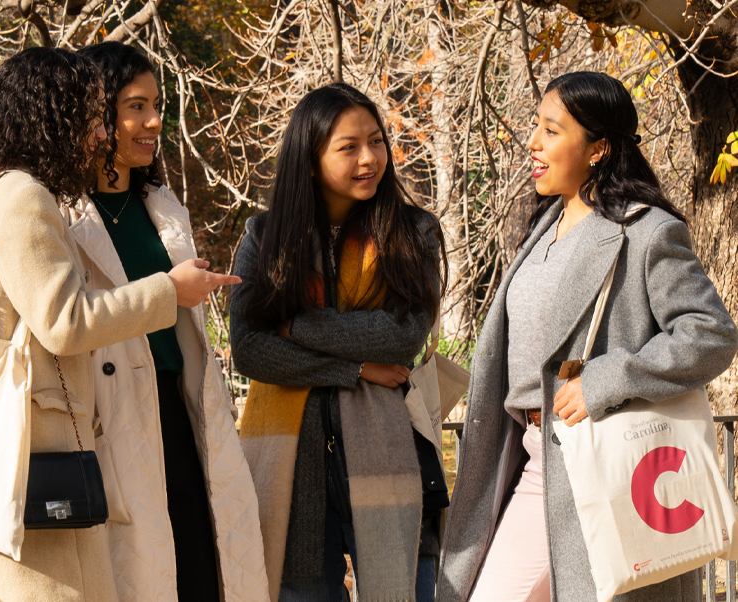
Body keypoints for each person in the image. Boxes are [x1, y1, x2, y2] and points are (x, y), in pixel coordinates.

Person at [0, 47, 236, 602]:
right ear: (53, 116)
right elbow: (64, 320)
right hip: (36, 440)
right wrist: (167, 291)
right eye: (89, 117)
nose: (97, 135)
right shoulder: (22, 195)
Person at [437, 71, 738, 602]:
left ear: (598, 147)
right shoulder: (539, 229)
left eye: (551, 131)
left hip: (604, 462)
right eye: (536, 126)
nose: (532, 142)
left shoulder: (646, 231)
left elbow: (710, 333)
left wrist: (606, 378)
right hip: (535, 459)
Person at [230, 82, 448, 602]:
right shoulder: (265, 238)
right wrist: (353, 370)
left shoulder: (412, 231)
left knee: (403, 588)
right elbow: (248, 349)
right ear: (310, 159)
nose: (369, 158)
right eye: (348, 147)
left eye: (375, 141)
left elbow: (400, 335)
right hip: (293, 464)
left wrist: (293, 324)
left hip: (388, 446)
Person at [72, 41, 269, 602]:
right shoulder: (61, 210)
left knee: (200, 569)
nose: (154, 120)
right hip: (108, 418)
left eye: (156, 104)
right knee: (135, 576)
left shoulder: (162, 204)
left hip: (178, 409)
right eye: (136, 106)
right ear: (96, 112)